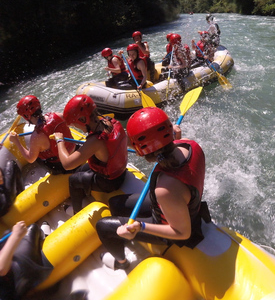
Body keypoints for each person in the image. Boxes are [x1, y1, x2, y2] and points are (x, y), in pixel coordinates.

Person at [96, 107, 211, 270]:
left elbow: (182, 233)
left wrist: (139, 227)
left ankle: (121, 262)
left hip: (175, 227)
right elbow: (177, 159)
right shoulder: (190, 144)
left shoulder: (165, 188)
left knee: (103, 226)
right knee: (115, 203)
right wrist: (176, 137)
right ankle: (126, 238)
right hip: (180, 203)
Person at [54, 95, 128, 214]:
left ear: (83, 120)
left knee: (73, 180)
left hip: (110, 182)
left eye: (74, 125)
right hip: (119, 170)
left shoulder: (95, 141)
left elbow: (67, 164)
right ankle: (83, 193)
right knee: (79, 171)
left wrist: (59, 141)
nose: (75, 127)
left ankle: (76, 211)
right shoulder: (109, 122)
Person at [9, 95, 76, 175]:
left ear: (27, 116)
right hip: (74, 150)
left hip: (61, 165)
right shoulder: (57, 115)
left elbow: (30, 159)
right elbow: (73, 123)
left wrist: (16, 141)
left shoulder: (36, 136)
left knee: (37, 157)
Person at [0, 221, 53, 300]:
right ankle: (45, 238)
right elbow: (1, 269)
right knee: (32, 228)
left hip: (6, 280)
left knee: (7, 233)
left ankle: (40, 240)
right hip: (11, 286)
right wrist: (16, 235)